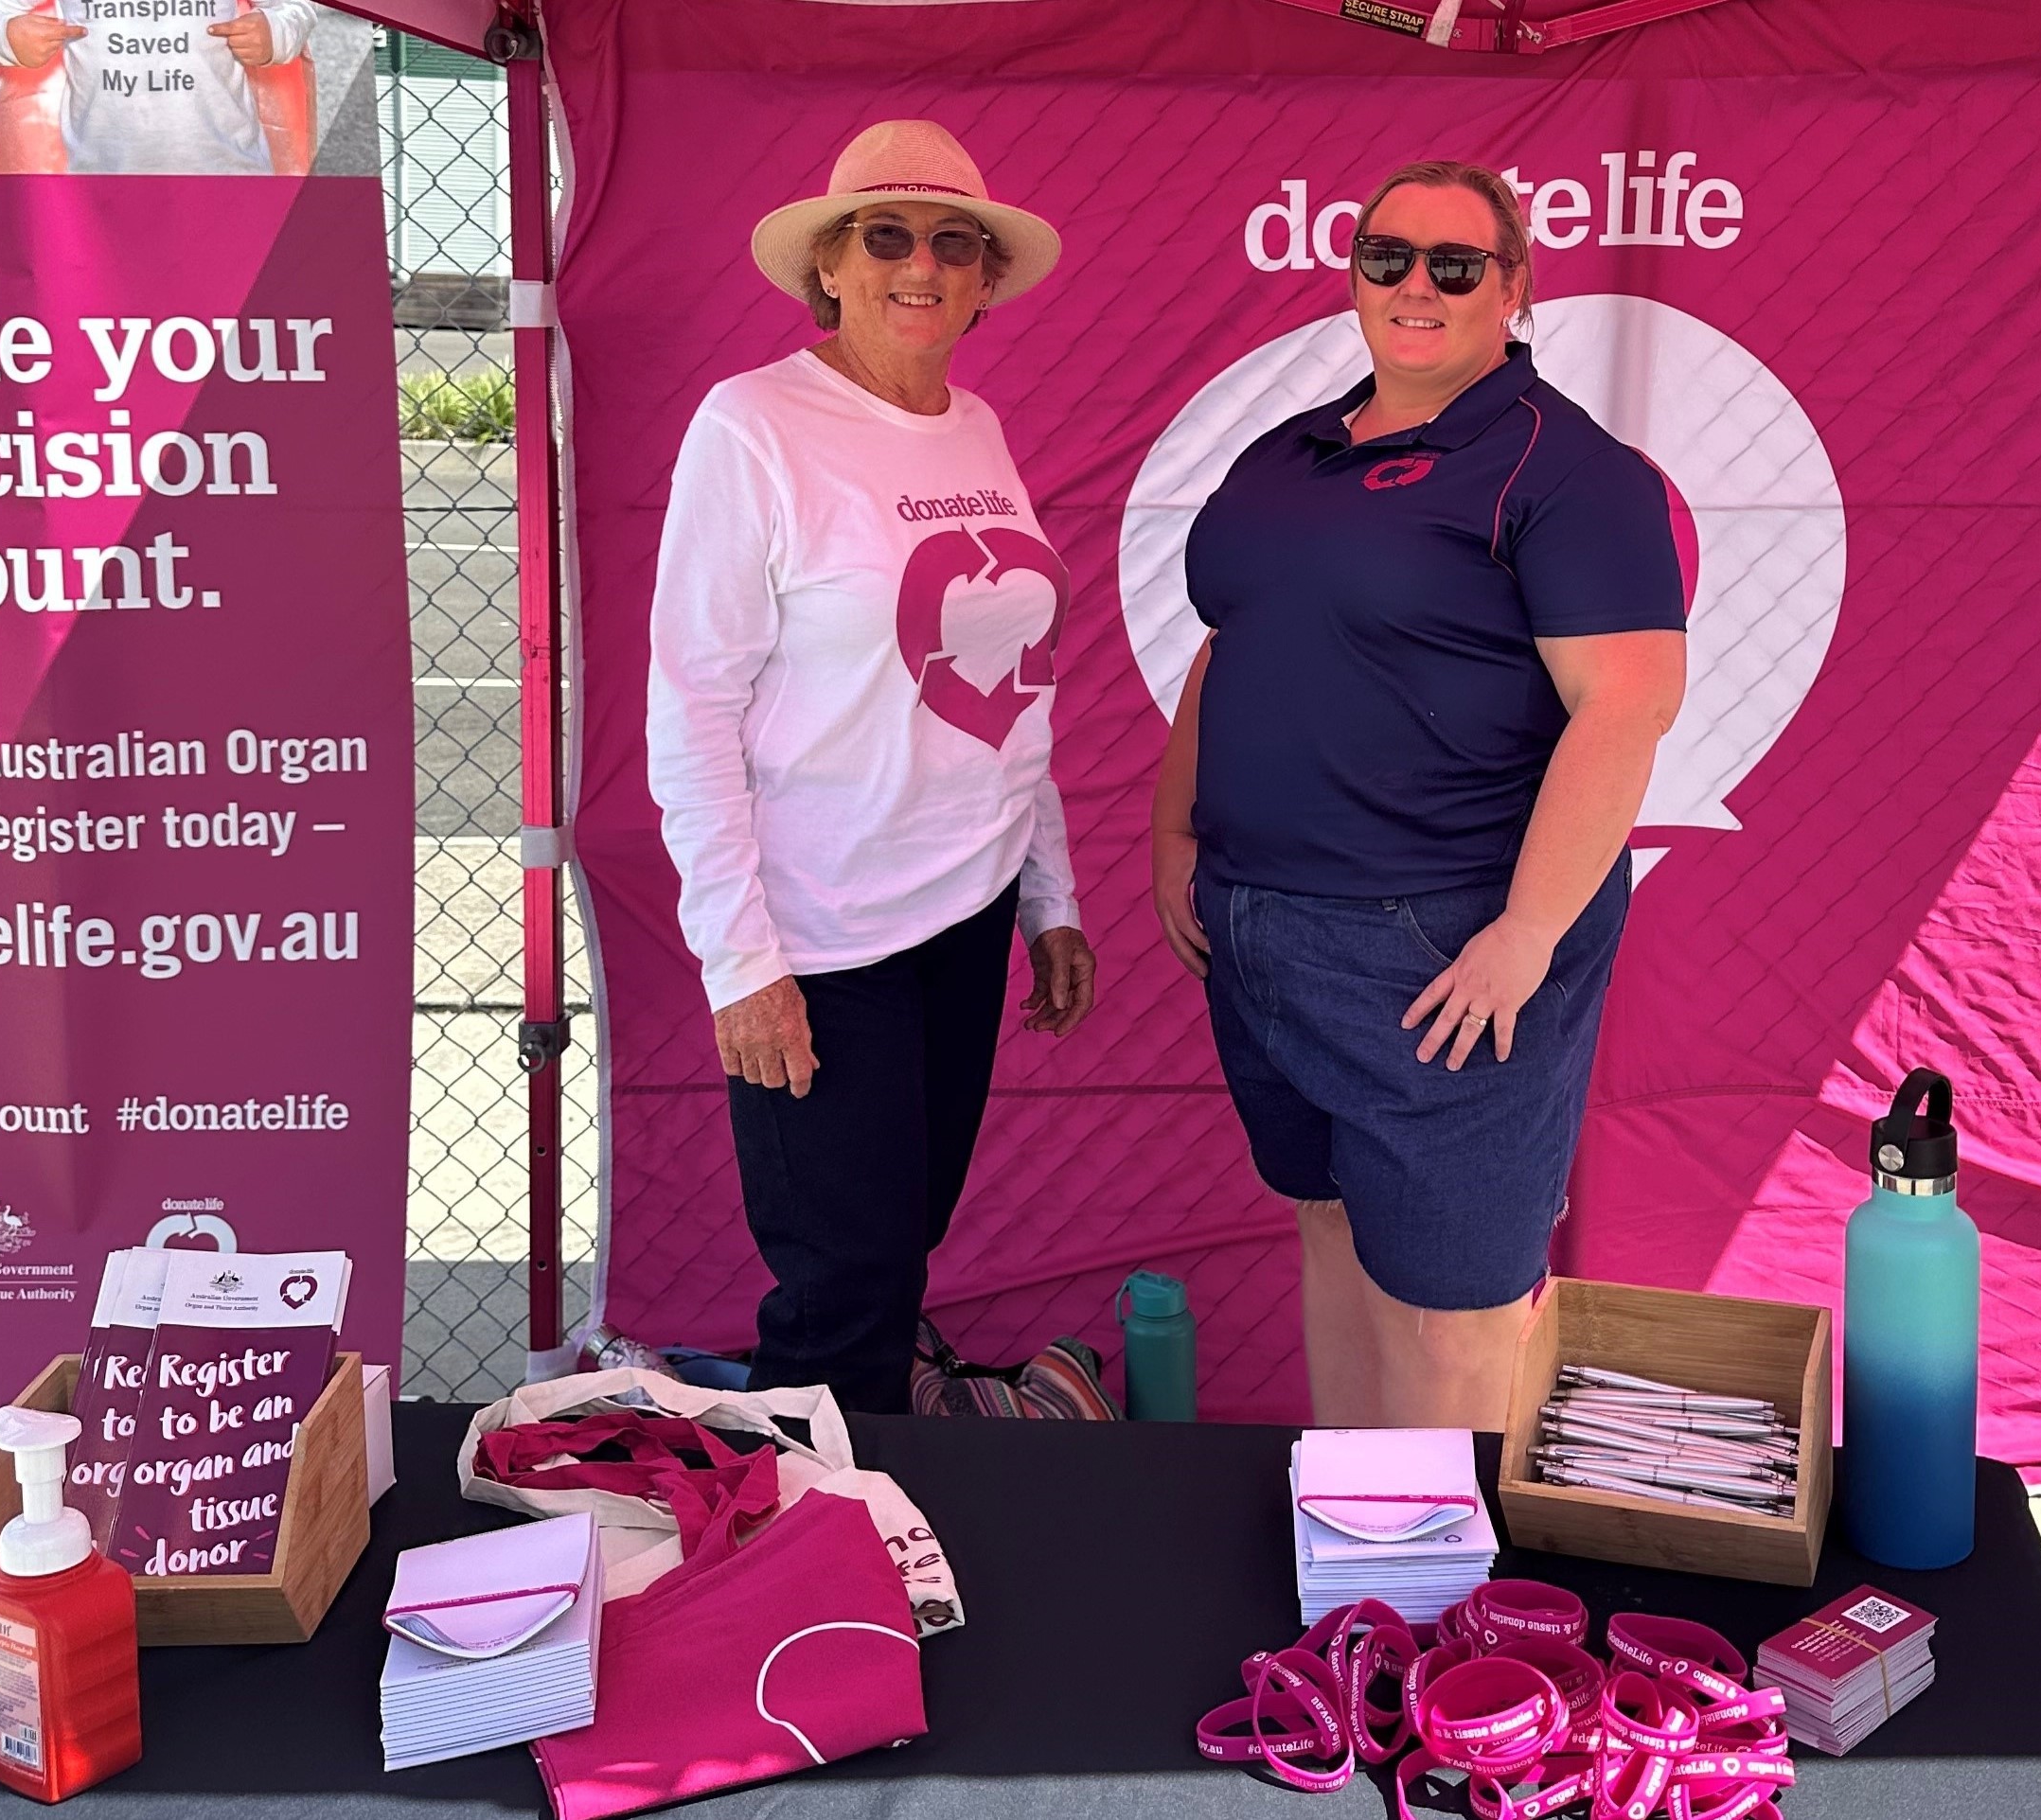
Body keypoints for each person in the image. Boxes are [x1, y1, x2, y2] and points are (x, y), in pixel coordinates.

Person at [1152, 160, 1686, 1431]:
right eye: (1386, 257)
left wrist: (1526, 933)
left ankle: (1461, 1619)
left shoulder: (1565, 468)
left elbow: (1627, 703)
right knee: (1334, 1229)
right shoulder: (1294, 452)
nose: (1416, 286)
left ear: (1514, 283)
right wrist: (1174, 831)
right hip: (1260, 926)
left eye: (1455, 264)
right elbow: (1231, 642)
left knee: (1458, 1308)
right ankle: (1362, 1555)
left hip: (1440, 944)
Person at [648, 120, 1096, 1416]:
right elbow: (692, 706)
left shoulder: (978, 426)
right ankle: (797, 1573)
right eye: (887, 237)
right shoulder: (755, 426)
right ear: (830, 267)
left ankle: (879, 1531)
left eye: (955, 244)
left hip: (965, 914)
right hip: (822, 934)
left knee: (899, 1253)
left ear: (983, 280)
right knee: (839, 1291)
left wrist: (1048, 895)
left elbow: (1009, 682)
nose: (924, 266)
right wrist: (742, 961)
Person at [0, 0, 313, 175]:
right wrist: (6, 33)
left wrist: (274, 30)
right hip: (104, 182)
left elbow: (294, 6)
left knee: (232, 302)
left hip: (229, 175)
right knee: (121, 312)